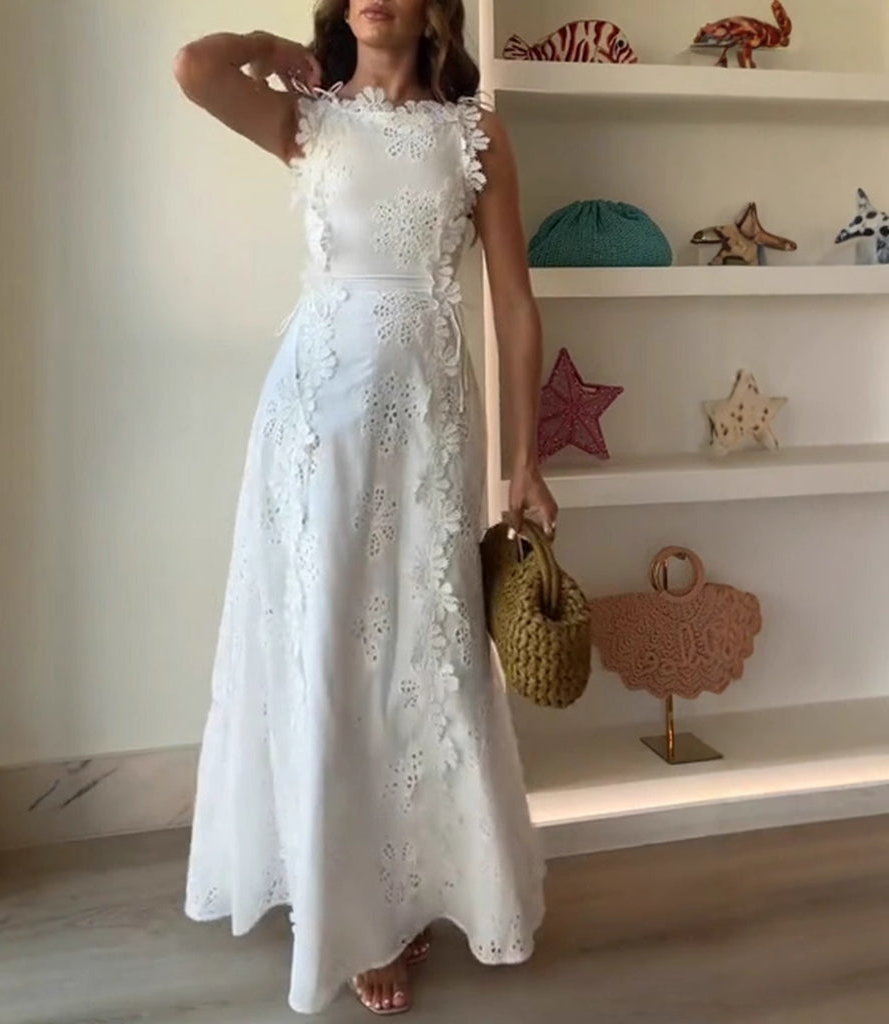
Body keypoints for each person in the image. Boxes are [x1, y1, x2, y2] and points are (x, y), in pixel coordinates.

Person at [173, 0, 557, 1015]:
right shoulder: (308, 117)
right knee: (330, 641)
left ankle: (413, 884)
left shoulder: (474, 133)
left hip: (429, 418)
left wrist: (526, 459)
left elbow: (515, 303)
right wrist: (269, 49)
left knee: (423, 648)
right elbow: (195, 67)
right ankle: (349, 912)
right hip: (314, 419)